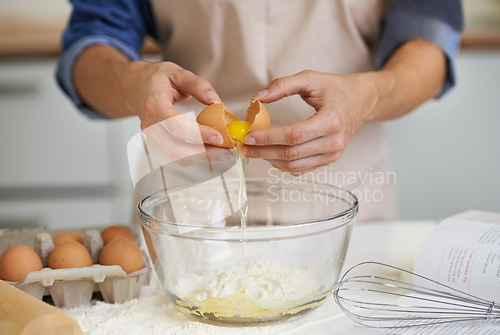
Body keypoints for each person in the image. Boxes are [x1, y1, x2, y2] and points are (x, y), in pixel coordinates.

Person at [56, 0, 463, 221]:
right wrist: (132, 86)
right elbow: (93, 40)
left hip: (341, 200)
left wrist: (364, 97)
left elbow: (428, 41)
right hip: (186, 204)